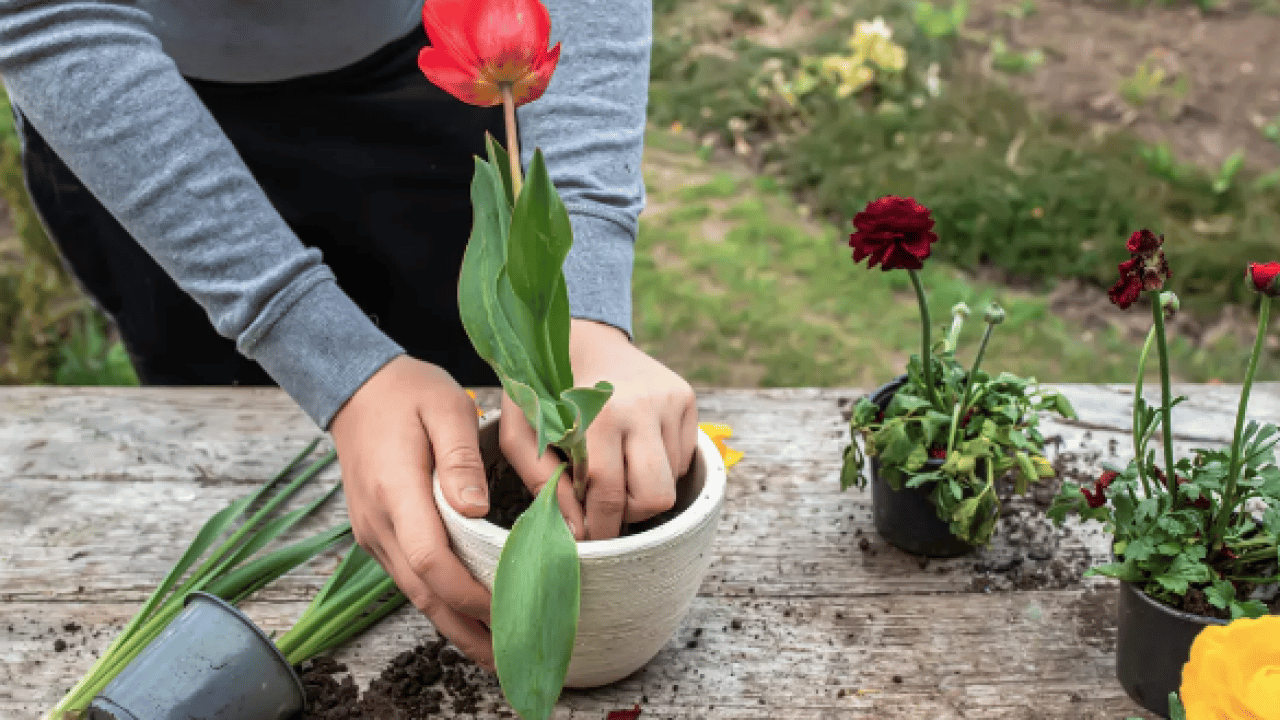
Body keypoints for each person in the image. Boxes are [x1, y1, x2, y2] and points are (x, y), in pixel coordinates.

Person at [0, 0, 696, 669]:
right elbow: (46, 8)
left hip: (421, 74)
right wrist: (327, 359)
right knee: (233, 457)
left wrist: (581, 297)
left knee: (472, 418)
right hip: (127, 120)